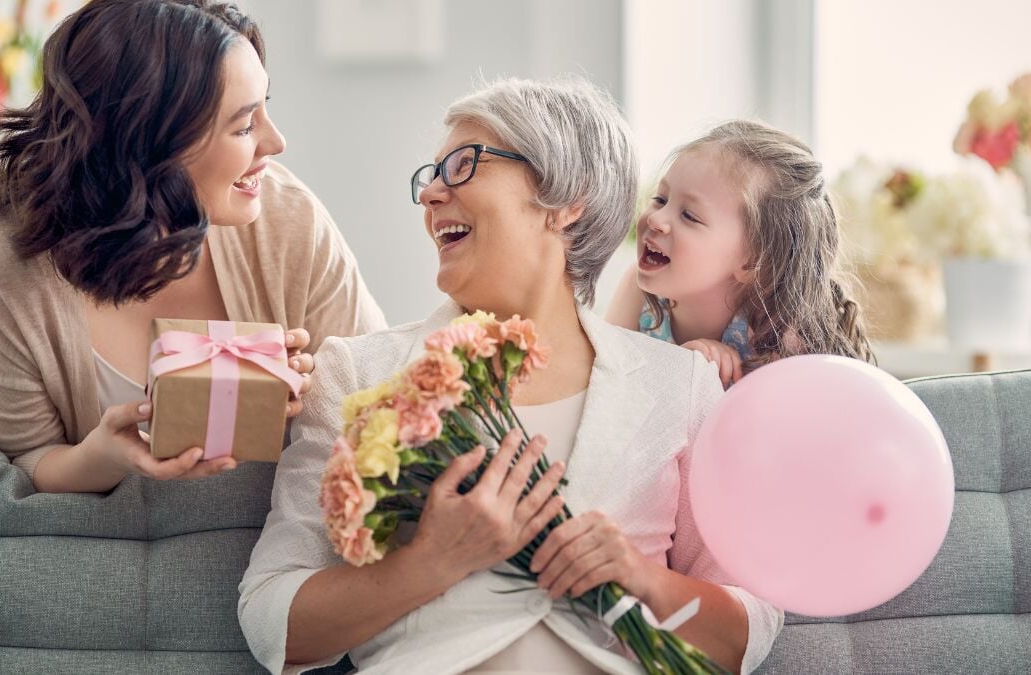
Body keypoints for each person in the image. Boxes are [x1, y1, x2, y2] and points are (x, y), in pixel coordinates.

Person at [239, 77, 783, 674]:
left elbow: (746, 633)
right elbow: (272, 619)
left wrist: (642, 579)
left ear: (567, 199)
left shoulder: (681, 386)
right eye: (431, 174)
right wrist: (428, 563)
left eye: (464, 165)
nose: (431, 195)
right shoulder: (356, 372)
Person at [0, 0, 385, 493]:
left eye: (265, 109)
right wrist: (104, 456)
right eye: (243, 126)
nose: (276, 142)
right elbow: (16, 465)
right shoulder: (3, 265)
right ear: (150, 145)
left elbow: (380, 404)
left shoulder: (288, 220)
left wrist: (318, 394)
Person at [606, 120, 872, 388]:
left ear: (752, 262)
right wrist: (679, 371)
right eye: (660, 199)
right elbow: (606, 389)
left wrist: (704, 386)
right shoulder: (639, 292)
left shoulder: (777, 337)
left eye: (689, 216)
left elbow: (788, 426)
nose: (656, 219)